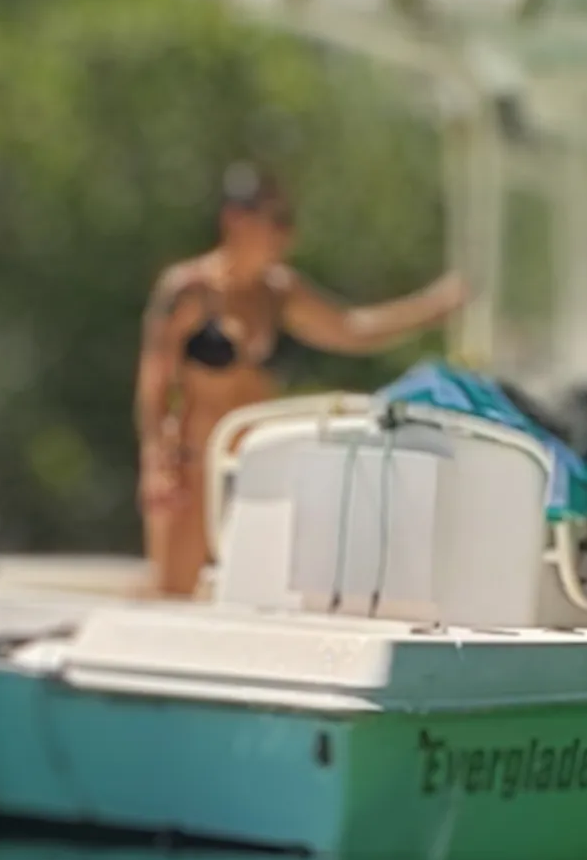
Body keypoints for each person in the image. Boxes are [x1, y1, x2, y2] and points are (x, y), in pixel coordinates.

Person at [135, 163, 470, 597]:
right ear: (236, 219)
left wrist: (437, 304)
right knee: (173, 594)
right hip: (194, 464)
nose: (285, 235)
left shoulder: (277, 292)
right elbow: (154, 382)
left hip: (256, 468)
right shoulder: (190, 290)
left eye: (287, 221)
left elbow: (352, 328)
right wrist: (155, 461)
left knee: (257, 594)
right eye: (275, 220)